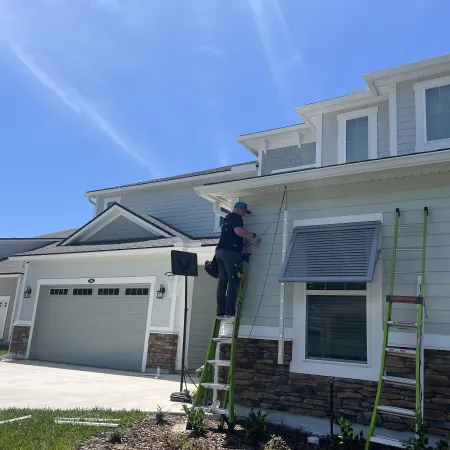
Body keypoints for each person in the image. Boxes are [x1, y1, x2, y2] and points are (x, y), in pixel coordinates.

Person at [215, 201, 261, 318]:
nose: (244, 214)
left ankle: (220, 312)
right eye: (243, 211)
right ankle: (229, 312)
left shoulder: (227, 219)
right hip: (231, 253)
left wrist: (243, 242)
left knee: (222, 281)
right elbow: (238, 231)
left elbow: (232, 234)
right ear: (236, 208)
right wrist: (254, 236)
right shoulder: (236, 217)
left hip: (220, 252)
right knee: (233, 280)